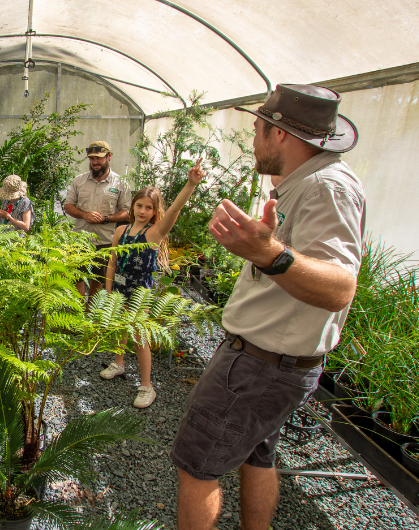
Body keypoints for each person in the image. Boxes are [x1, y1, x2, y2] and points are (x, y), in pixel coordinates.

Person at [170, 84, 364, 530]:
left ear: (279, 135)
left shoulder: (325, 188)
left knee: (197, 464)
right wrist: (264, 249)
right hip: (274, 363)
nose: (254, 138)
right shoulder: (303, 183)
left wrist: (269, 254)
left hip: (260, 366)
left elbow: (339, 288)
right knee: (257, 453)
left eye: (258, 129)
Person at [102, 159, 207, 408]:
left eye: (148, 207)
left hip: (140, 292)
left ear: (154, 211)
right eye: (139, 205)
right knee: (119, 328)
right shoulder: (121, 231)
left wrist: (191, 184)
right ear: (132, 206)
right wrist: (107, 292)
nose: (142, 211)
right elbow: (112, 262)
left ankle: (147, 386)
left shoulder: (154, 233)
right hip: (118, 288)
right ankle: (118, 362)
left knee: (139, 337)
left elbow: (175, 210)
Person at [64, 141, 133, 304]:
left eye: (99, 158)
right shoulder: (79, 181)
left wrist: (106, 218)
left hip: (105, 241)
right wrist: (84, 214)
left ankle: (90, 313)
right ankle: (78, 312)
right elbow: (68, 206)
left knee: (98, 279)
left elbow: (127, 212)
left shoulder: (120, 183)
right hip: (79, 239)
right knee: (76, 277)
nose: (95, 162)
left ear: (109, 156)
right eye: (92, 158)